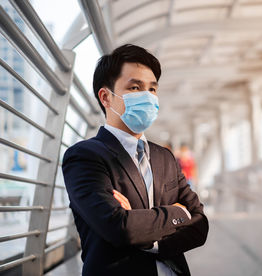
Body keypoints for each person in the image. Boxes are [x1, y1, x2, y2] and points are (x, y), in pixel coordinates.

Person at [62, 44, 208, 276]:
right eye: (135, 87)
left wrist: (146, 235)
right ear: (106, 97)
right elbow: (119, 228)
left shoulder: (165, 157)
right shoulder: (84, 157)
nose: (148, 97)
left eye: (152, 89)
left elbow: (200, 225)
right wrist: (178, 213)